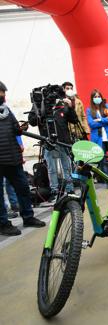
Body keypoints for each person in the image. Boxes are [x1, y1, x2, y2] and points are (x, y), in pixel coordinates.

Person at [0, 80, 45, 236]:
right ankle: (3, 224)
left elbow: (15, 130)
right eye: (1, 92)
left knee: (23, 188)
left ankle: (28, 217)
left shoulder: (6, 111)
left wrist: (20, 129)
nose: (3, 95)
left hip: (13, 159)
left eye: (4, 92)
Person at [28, 85, 78, 202]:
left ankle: (70, 189)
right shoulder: (40, 104)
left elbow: (74, 120)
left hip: (63, 141)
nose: (52, 96)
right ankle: (55, 191)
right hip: (48, 140)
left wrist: (70, 107)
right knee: (52, 168)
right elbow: (32, 121)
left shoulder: (62, 103)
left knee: (67, 166)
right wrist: (42, 108)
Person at [86, 89, 108, 180]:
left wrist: (100, 120)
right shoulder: (89, 110)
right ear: (92, 99)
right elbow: (91, 124)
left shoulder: (107, 106)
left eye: (98, 96)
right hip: (98, 139)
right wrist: (105, 121)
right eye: (95, 97)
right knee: (102, 161)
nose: (97, 98)